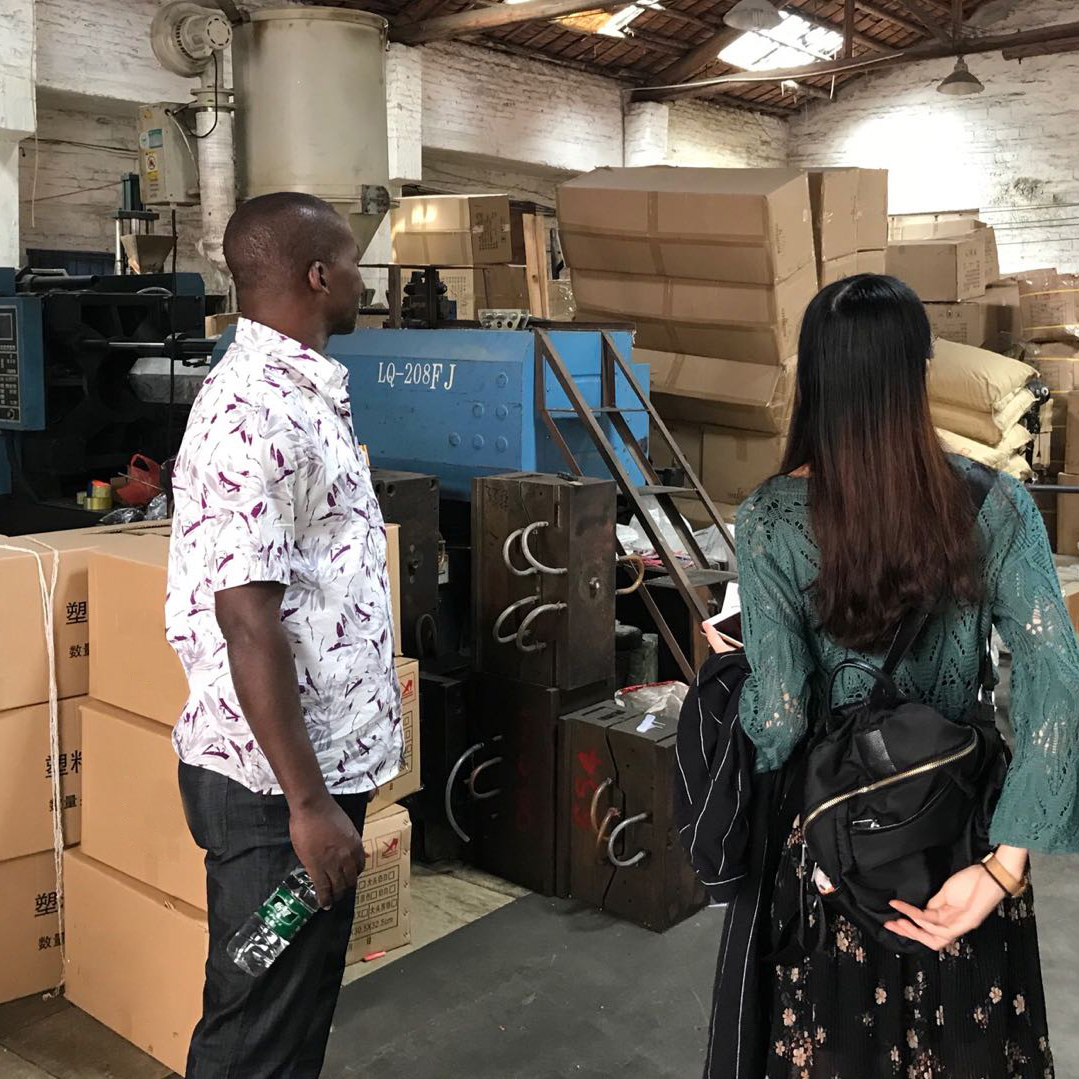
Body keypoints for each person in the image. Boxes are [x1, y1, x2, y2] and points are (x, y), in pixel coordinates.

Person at [706, 274, 1076, 1077]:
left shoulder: (770, 517)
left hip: (835, 857)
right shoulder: (996, 505)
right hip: (958, 841)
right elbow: (1056, 686)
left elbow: (778, 717)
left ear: (814, 376)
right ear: (918, 371)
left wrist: (734, 671)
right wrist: (1002, 868)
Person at [165, 191, 402, 1078]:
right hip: (275, 794)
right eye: (354, 264)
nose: (363, 281)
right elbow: (246, 617)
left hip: (316, 770)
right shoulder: (255, 409)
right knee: (255, 1033)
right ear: (318, 276)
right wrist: (307, 805)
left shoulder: (303, 392)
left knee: (293, 1016)